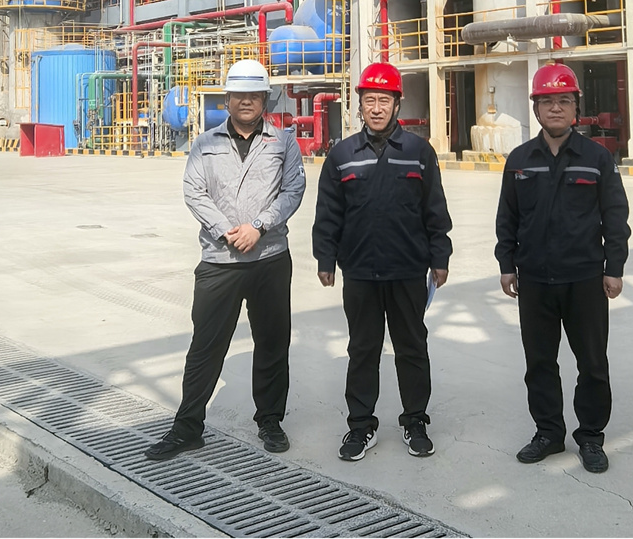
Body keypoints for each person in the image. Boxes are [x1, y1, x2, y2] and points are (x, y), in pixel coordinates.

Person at [144, 59, 306, 460]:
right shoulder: (205, 143)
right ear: (227, 99)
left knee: (272, 344)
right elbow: (193, 191)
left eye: (254, 95)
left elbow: (293, 190)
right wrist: (225, 230)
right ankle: (187, 428)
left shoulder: (283, 142)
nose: (246, 101)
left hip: (270, 259)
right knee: (205, 347)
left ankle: (270, 420)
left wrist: (259, 227)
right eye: (239, 95)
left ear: (265, 98)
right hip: (219, 260)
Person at [312, 62, 453, 462]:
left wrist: (440, 256)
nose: (376, 108)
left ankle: (415, 421)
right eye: (369, 100)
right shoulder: (342, 154)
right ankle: (361, 425)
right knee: (363, 349)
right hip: (360, 271)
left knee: (412, 347)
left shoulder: (418, 152)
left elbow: (434, 209)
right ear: (359, 105)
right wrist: (326, 257)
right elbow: (329, 212)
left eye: (384, 100)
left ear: (397, 104)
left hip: (408, 269)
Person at [495, 62, 631, 473]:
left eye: (564, 100)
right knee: (539, 362)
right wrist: (506, 263)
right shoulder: (520, 160)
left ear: (576, 108)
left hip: (585, 278)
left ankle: (590, 437)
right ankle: (549, 433)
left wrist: (614, 267)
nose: (556, 108)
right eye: (548, 101)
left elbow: (615, 216)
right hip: (535, 279)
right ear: (536, 108)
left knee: (592, 363)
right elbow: (507, 218)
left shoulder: (597, 158)